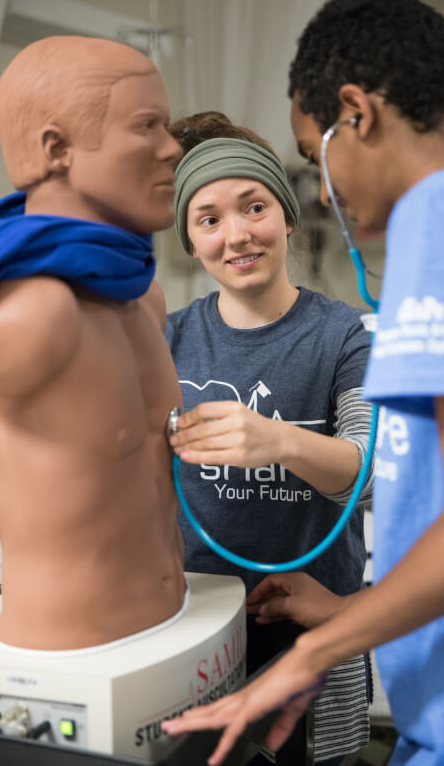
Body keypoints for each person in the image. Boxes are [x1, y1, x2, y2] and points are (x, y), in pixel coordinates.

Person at [162, 0, 444, 766]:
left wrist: (321, 646)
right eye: (206, 219)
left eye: (314, 153)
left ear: (358, 112)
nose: (324, 190)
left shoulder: (442, 215)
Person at [164, 111, 375, 764]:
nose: (236, 236)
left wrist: (279, 441)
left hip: (314, 626)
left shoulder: (347, 335)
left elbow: (368, 477)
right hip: (197, 634)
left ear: (286, 216)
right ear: (191, 241)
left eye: (253, 207)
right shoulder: (162, 340)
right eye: (209, 220)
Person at [0, 36, 187, 650]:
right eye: (146, 126)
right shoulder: (37, 313)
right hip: (71, 644)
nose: (173, 148)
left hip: (173, 622)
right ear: (56, 149)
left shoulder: (142, 296)